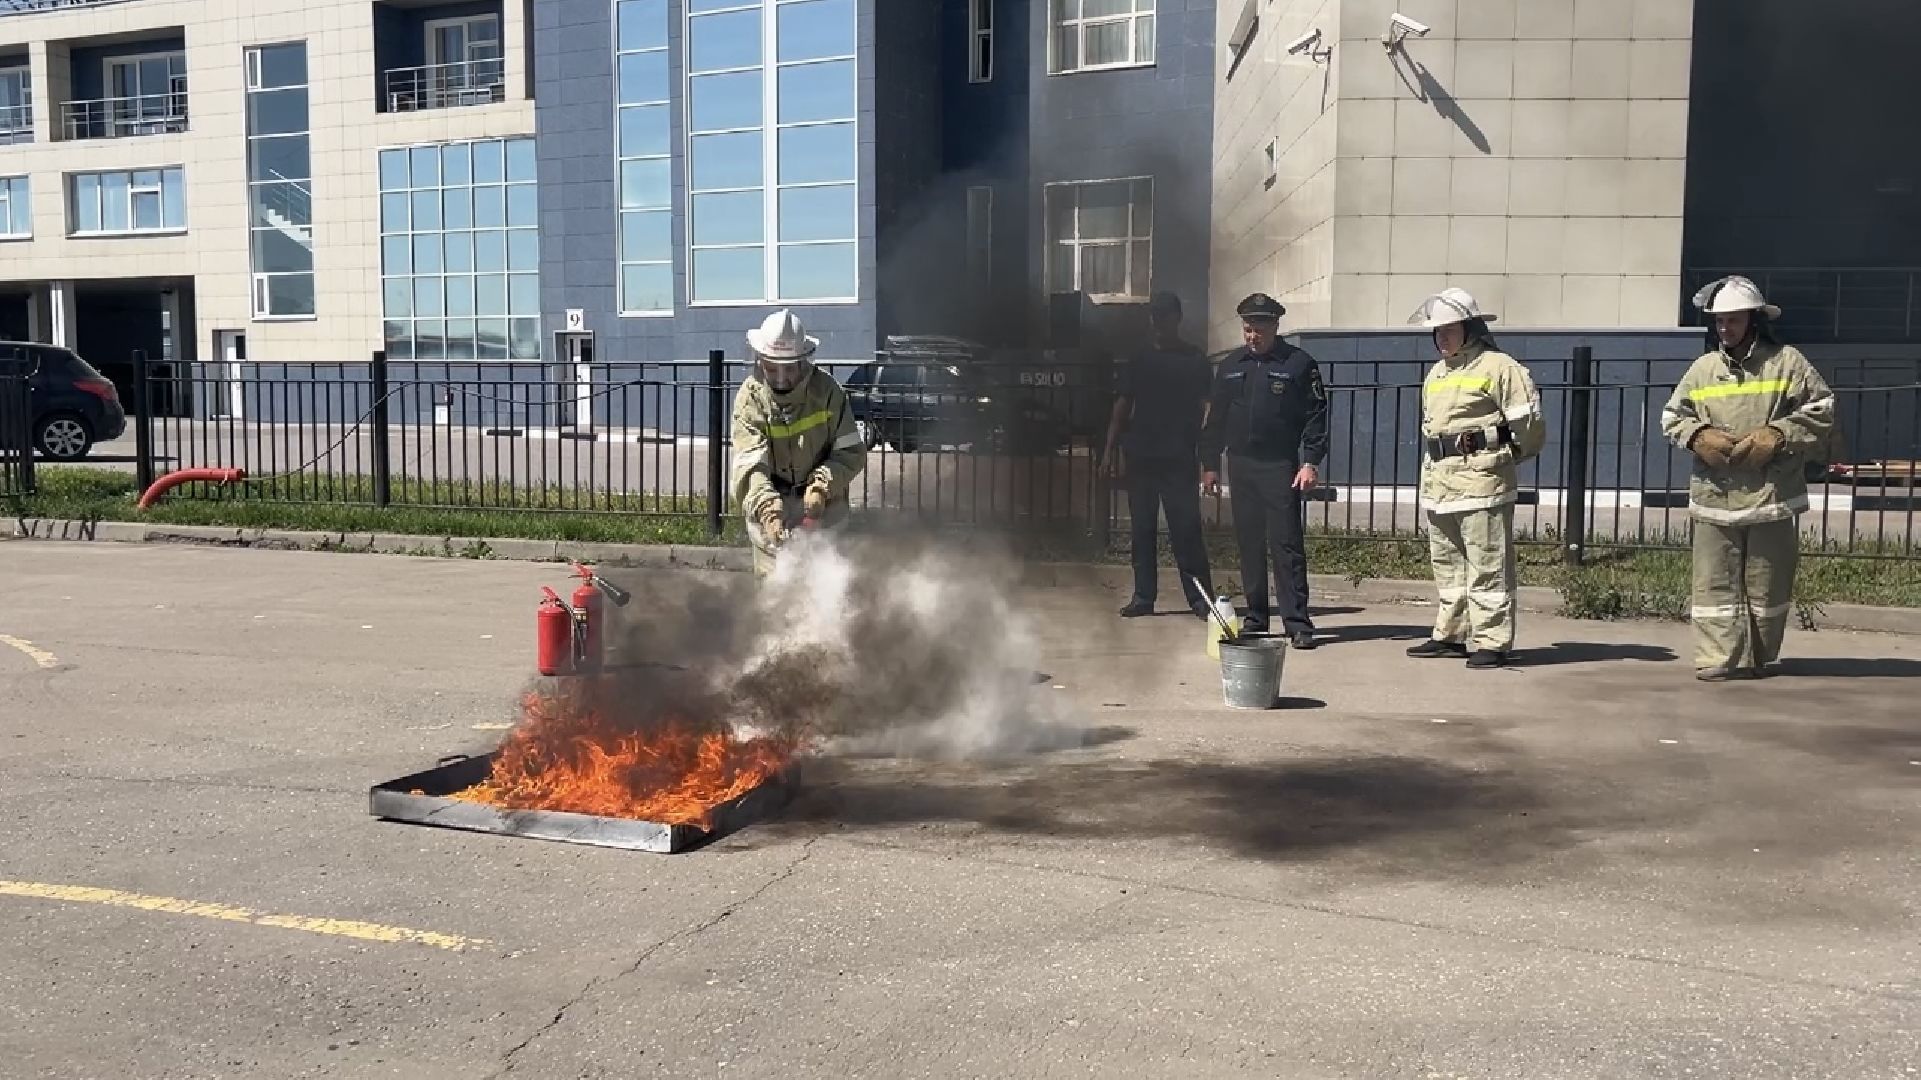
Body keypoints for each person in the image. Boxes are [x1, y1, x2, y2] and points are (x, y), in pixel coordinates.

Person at [1660, 275, 1835, 682]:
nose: (1725, 329)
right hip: (1715, 494)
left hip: (1770, 494)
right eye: (1719, 321)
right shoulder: (1703, 369)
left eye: (1734, 320)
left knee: (1766, 585)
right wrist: (1697, 436)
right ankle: (1716, 658)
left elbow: (1822, 408)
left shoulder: (1787, 362)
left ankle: (1758, 656)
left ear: (1754, 320)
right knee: (1713, 584)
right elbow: (1672, 416)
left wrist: (1778, 434)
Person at [1404, 288, 1546, 669]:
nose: (1441, 338)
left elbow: (1529, 423)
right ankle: (1450, 636)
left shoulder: (1499, 367)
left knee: (1487, 564)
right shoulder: (1437, 373)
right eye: (1437, 331)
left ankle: (1492, 641)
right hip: (1440, 484)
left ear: (1470, 328)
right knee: (1448, 565)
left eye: (1449, 330)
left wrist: (1509, 456)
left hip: (1482, 482)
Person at [1198, 293, 1329, 649]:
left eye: (1258, 329)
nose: (1252, 336)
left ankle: (1297, 622)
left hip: (1279, 466)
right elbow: (1216, 419)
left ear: (1274, 326)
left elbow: (1316, 416)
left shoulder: (1298, 364)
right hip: (1241, 465)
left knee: (1286, 545)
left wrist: (1310, 461)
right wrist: (1209, 464)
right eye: (1247, 329)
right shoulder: (1231, 365)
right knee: (1249, 543)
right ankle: (1256, 617)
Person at [1101, 292, 1216, 619]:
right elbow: (1122, 406)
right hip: (1142, 457)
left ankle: (1201, 600)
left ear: (1176, 318)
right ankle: (1143, 597)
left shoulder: (1195, 360)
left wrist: (1207, 456)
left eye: (1164, 316)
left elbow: (1208, 407)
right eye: (1154, 316)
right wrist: (1109, 451)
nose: (1158, 323)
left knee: (1186, 531)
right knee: (1142, 530)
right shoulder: (1139, 359)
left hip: (1179, 457)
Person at [729, 309, 868, 577]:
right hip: (772, 520)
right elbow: (750, 465)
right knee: (775, 593)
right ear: (759, 360)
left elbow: (850, 452)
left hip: (826, 515)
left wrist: (821, 487)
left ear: (804, 361)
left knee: (827, 589)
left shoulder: (827, 392)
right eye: (772, 368)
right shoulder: (750, 399)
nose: (781, 379)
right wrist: (768, 511)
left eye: (789, 368)